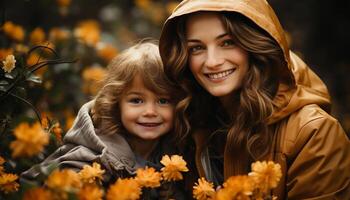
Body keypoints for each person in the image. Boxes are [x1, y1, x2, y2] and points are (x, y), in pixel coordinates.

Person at [159, 0, 350, 199]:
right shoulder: (190, 120)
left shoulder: (314, 132)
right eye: (197, 48)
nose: (212, 62)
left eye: (227, 42)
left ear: (254, 43)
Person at [21, 40, 186, 199]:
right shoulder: (94, 157)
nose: (150, 112)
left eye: (163, 101)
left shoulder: (176, 151)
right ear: (117, 104)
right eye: (136, 100)